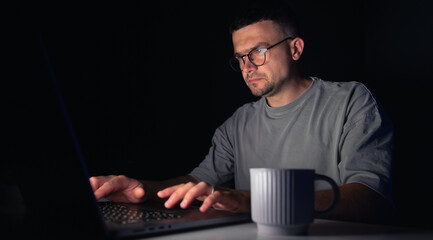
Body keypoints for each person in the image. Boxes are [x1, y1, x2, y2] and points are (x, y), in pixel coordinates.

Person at [90, 1, 394, 223]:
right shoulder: (236, 125)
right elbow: (195, 186)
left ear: (295, 49)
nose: (247, 66)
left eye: (258, 52)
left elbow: (370, 197)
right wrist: (142, 189)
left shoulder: (351, 100)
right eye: (240, 57)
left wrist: (254, 201)